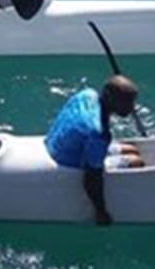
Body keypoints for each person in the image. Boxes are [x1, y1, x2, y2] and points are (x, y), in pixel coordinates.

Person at [44, 76, 145, 225]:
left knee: (131, 148)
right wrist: (101, 211)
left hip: (57, 142)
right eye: (126, 101)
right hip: (70, 157)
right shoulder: (97, 133)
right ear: (109, 97)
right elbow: (91, 178)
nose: (132, 107)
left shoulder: (88, 94)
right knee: (137, 161)